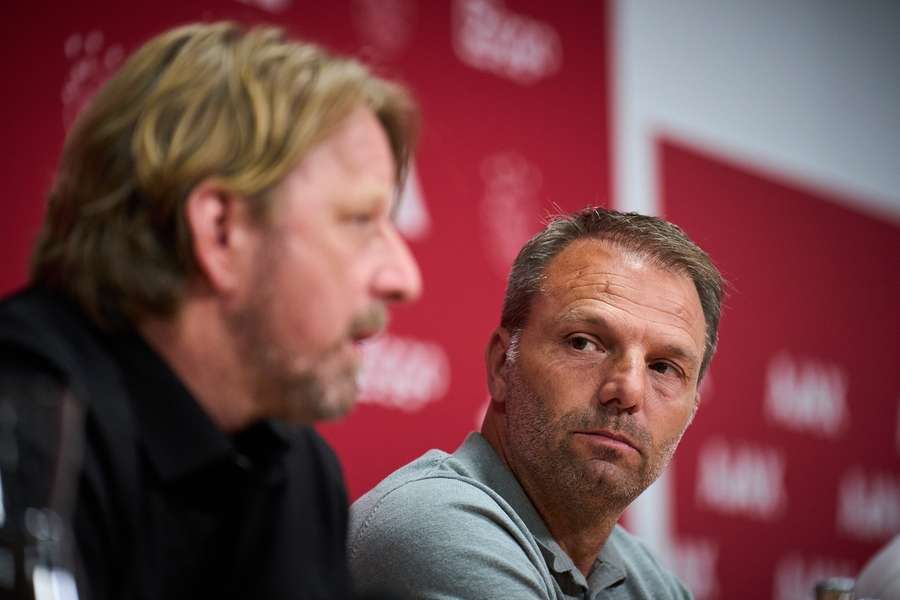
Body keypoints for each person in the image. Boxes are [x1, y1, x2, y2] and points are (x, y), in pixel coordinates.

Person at [0, 21, 421, 600]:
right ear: (221, 230)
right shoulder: (25, 418)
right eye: (360, 222)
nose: (405, 279)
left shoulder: (302, 470)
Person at [349, 207, 724, 599]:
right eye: (583, 343)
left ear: (692, 410)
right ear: (500, 365)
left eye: (663, 367)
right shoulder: (432, 525)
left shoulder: (650, 582)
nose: (628, 390)